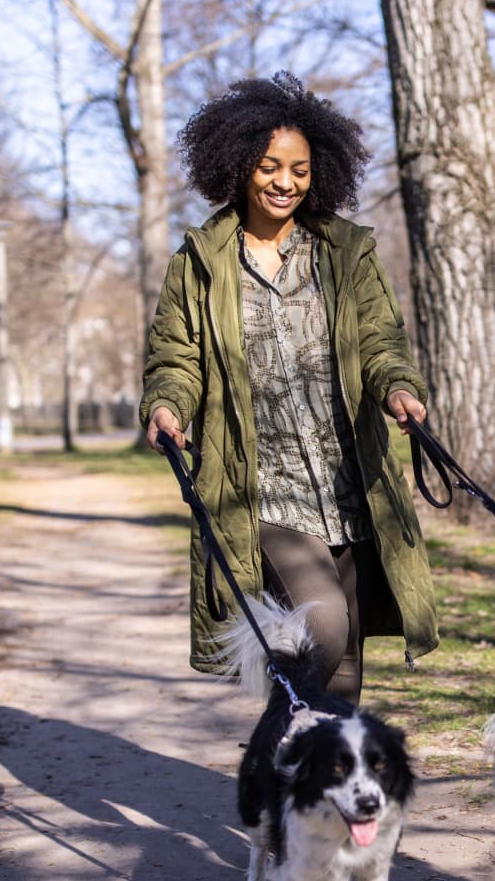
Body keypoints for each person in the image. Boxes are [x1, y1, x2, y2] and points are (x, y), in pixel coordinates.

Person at [142, 72, 436, 703]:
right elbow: (177, 357)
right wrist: (167, 403)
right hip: (263, 492)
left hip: (349, 486)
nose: (285, 182)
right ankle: (278, 759)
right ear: (239, 164)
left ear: (319, 172)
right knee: (322, 625)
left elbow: (383, 341)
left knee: (344, 678)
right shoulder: (199, 262)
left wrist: (398, 390)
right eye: (270, 166)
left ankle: (304, 791)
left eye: (299, 170)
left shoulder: (344, 253)